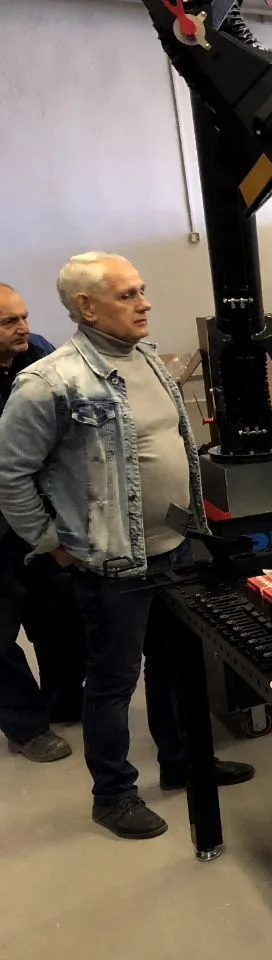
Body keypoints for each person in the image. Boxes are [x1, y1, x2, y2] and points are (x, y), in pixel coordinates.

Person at [0, 253, 254, 840]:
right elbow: (11, 476)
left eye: (142, 290)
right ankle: (112, 795)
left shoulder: (147, 360)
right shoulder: (49, 382)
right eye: (127, 295)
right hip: (113, 561)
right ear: (86, 307)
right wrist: (52, 543)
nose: (144, 303)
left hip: (175, 546)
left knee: (175, 664)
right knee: (114, 681)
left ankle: (182, 762)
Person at [0, 283, 85, 762]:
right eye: (9, 321)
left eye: (24, 316)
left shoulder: (37, 355)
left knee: (60, 616)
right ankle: (26, 727)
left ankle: (62, 702)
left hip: (38, 513)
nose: (23, 328)